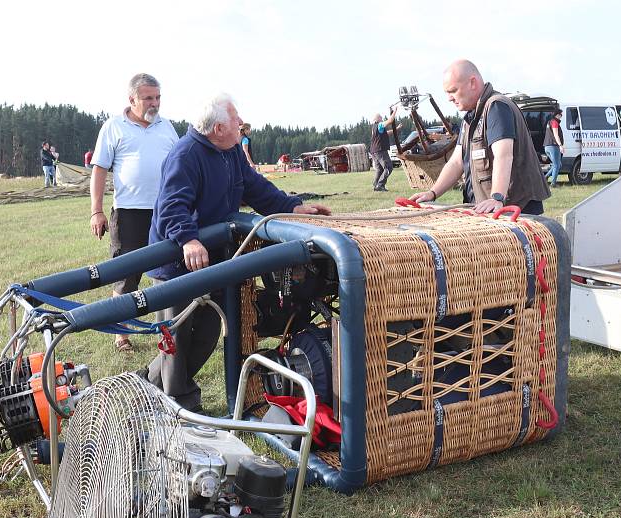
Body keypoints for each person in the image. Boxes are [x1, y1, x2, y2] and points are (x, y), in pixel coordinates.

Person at [144, 93, 331, 412]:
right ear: (218, 128)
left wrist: (293, 206)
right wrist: (188, 239)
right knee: (175, 339)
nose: (241, 124)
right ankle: (181, 405)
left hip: (214, 261)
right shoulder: (185, 155)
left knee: (207, 332)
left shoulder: (229, 153)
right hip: (178, 264)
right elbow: (171, 205)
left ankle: (146, 386)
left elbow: (256, 188)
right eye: (236, 120)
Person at [89, 73, 179, 353]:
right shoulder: (113, 127)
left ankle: (166, 331)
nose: (155, 103)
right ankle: (121, 333)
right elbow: (99, 169)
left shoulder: (167, 128)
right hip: (129, 214)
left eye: (158, 97)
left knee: (166, 274)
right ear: (132, 99)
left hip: (165, 212)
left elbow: (181, 164)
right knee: (127, 275)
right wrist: (96, 211)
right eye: (148, 98)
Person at [410, 59, 550, 214]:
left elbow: (503, 155)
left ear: (472, 83)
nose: (449, 98)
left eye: (453, 91)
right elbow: (456, 162)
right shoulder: (470, 117)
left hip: (514, 211)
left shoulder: (496, 107)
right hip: (489, 209)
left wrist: (497, 198)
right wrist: (432, 193)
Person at [369, 107, 400, 191]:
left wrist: (396, 129)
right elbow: (390, 121)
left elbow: (386, 133)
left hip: (374, 151)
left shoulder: (374, 128)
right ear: (377, 119)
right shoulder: (380, 125)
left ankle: (376, 185)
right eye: (381, 117)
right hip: (380, 150)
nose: (382, 119)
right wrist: (395, 111)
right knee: (388, 167)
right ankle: (380, 185)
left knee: (380, 169)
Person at [543, 108, 565, 187]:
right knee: (556, 165)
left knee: (558, 164)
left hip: (547, 146)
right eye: (561, 115)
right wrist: (560, 145)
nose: (561, 117)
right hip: (553, 146)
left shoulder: (549, 122)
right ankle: (553, 184)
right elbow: (556, 135)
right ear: (557, 114)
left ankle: (545, 178)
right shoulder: (555, 122)